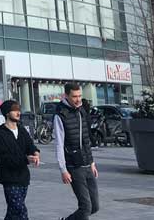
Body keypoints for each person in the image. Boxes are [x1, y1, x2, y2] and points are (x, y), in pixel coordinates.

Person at [54, 83, 99, 220]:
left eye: (80, 96)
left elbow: (86, 140)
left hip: (87, 164)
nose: (78, 99)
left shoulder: (81, 111)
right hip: (74, 166)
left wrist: (92, 163)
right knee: (85, 207)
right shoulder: (60, 115)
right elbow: (59, 144)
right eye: (74, 96)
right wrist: (63, 169)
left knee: (95, 207)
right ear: (66, 96)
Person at [0, 100, 40, 220]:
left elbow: (30, 145)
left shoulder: (22, 130)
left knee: (13, 211)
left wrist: (36, 152)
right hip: (9, 178)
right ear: (7, 113)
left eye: (19, 109)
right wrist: (26, 159)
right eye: (15, 110)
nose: (18, 112)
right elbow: (5, 158)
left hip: (23, 177)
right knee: (20, 210)